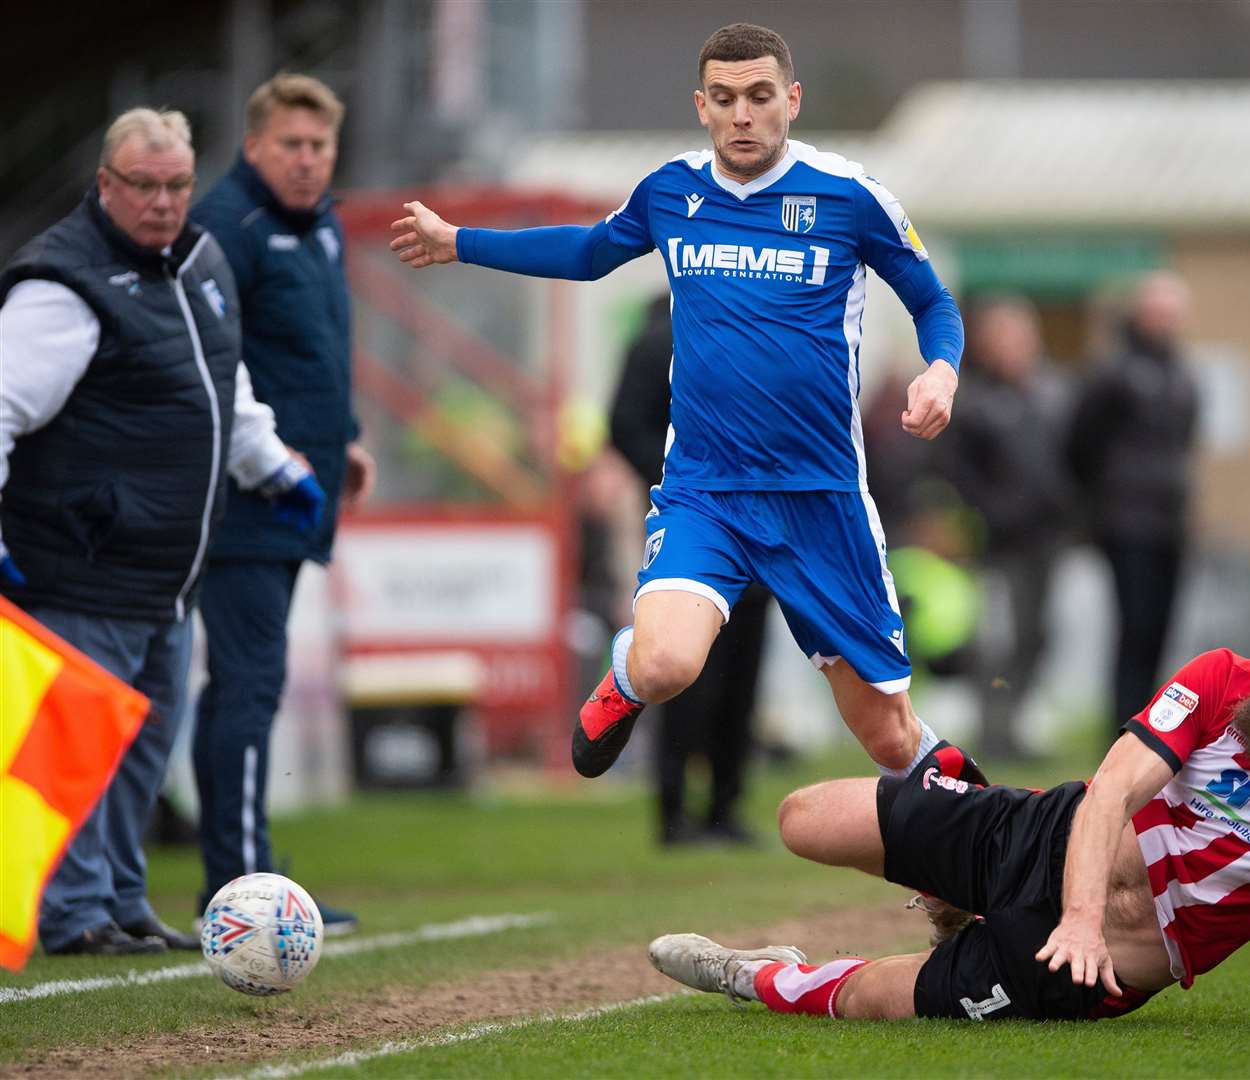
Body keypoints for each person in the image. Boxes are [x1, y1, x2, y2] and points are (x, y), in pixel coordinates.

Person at [390, 24, 964, 783]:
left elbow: (933, 302)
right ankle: (624, 680)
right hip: (707, 492)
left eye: (760, 97)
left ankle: (973, 840)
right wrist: (460, 240)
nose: (743, 115)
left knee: (888, 738)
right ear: (702, 106)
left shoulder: (850, 197)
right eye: (724, 99)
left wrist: (941, 372)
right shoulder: (672, 191)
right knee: (666, 663)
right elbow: (590, 252)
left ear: (791, 100)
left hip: (820, 497)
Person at [649, 612, 1250, 1031]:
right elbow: (1114, 789)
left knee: (875, 999)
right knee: (803, 817)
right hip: (1045, 834)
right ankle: (954, 847)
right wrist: (1077, 911)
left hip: (1089, 972)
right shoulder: (1227, 676)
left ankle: (754, 975)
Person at [0, 108, 324, 955]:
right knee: (79, 751)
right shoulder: (59, 285)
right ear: (105, 184)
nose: (163, 202)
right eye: (142, 186)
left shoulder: (202, 263)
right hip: (79, 563)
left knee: (142, 751)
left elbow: (225, 384)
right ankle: (73, 917)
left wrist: (271, 465)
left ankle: (122, 900)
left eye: (178, 184)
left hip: (169, 570)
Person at [188, 73, 374, 933]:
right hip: (245, 496)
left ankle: (233, 873)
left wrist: (346, 437)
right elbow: (218, 365)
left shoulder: (320, 222)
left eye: (320, 147)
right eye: (292, 146)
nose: (307, 161)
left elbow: (317, 346)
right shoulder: (230, 228)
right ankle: (242, 882)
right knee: (250, 684)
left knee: (242, 684)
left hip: (304, 485)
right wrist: (279, 457)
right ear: (254, 146)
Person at [609, 295, 768, 845]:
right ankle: (674, 813)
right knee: (681, 675)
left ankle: (725, 809)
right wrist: (691, 481)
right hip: (686, 532)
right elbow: (625, 426)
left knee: (742, 674)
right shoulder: (659, 342)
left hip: (756, 528)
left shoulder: (754, 334)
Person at [937, 295, 1076, 760]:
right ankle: (995, 730)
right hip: (998, 546)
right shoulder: (972, 401)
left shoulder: (1054, 394)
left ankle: (1014, 722)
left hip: (1047, 540)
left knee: (1037, 636)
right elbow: (954, 470)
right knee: (997, 640)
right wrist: (991, 511)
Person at [1066, 272, 1198, 746]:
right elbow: (1080, 443)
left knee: (1161, 630)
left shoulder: (1182, 374)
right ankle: (1123, 730)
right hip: (1127, 521)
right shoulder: (1113, 372)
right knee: (1134, 627)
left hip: (1170, 521)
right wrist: (1103, 500)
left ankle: (1151, 728)